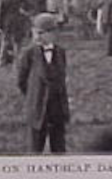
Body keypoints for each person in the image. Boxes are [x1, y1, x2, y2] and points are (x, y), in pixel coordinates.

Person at [18, 13, 70, 153]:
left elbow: (61, 78)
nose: (37, 37)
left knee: (59, 147)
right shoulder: (28, 53)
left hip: (57, 107)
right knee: (35, 148)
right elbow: (21, 81)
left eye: (41, 33)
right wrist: (33, 96)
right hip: (37, 106)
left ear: (52, 33)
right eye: (35, 33)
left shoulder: (60, 52)